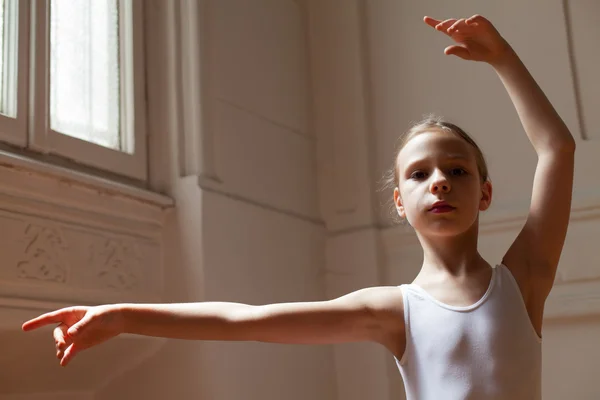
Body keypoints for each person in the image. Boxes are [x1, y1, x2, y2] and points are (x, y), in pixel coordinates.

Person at [22, 14, 575, 400]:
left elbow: (557, 148)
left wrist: (503, 58)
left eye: (457, 171)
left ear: (484, 192)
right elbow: (247, 321)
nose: (439, 183)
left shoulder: (525, 279)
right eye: (420, 173)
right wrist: (122, 317)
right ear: (399, 204)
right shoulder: (392, 311)